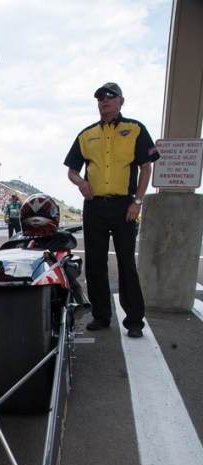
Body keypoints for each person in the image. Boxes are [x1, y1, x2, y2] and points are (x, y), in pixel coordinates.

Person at [64, 82, 160, 338]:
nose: (104, 101)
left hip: (124, 206)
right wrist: (81, 182)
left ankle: (135, 320)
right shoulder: (87, 134)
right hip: (94, 207)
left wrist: (137, 202)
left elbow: (146, 167)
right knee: (95, 263)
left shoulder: (135, 129)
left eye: (110, 96)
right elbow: (72, 170)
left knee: (126, 262)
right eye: (100, 98)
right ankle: (101, 315)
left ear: (120, 101)